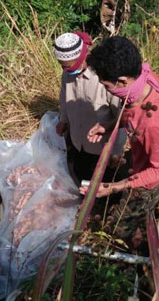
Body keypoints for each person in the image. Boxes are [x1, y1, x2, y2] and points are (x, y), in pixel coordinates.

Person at [81, 36, 159, 249]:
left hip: (150, 180)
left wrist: (114, 187)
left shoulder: (153, 123)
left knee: (123, 231)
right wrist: (111, 125)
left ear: (122, 81)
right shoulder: (142, 78)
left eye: (106, 86)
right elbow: (131, 114)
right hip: (141, 158)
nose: (106, 90)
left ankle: (140, 258)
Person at [53, 31, 126, 185]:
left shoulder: (105, 78)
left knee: (101, 187)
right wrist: (63, 120)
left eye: (68, 66)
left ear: (81, 57)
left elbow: (121, 119)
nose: (65, 70)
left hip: (101, 150)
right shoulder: (67, 75)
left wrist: (116, 151)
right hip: (77, 142)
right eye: (62, 66)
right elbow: (64, 100)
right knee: (80, 180)